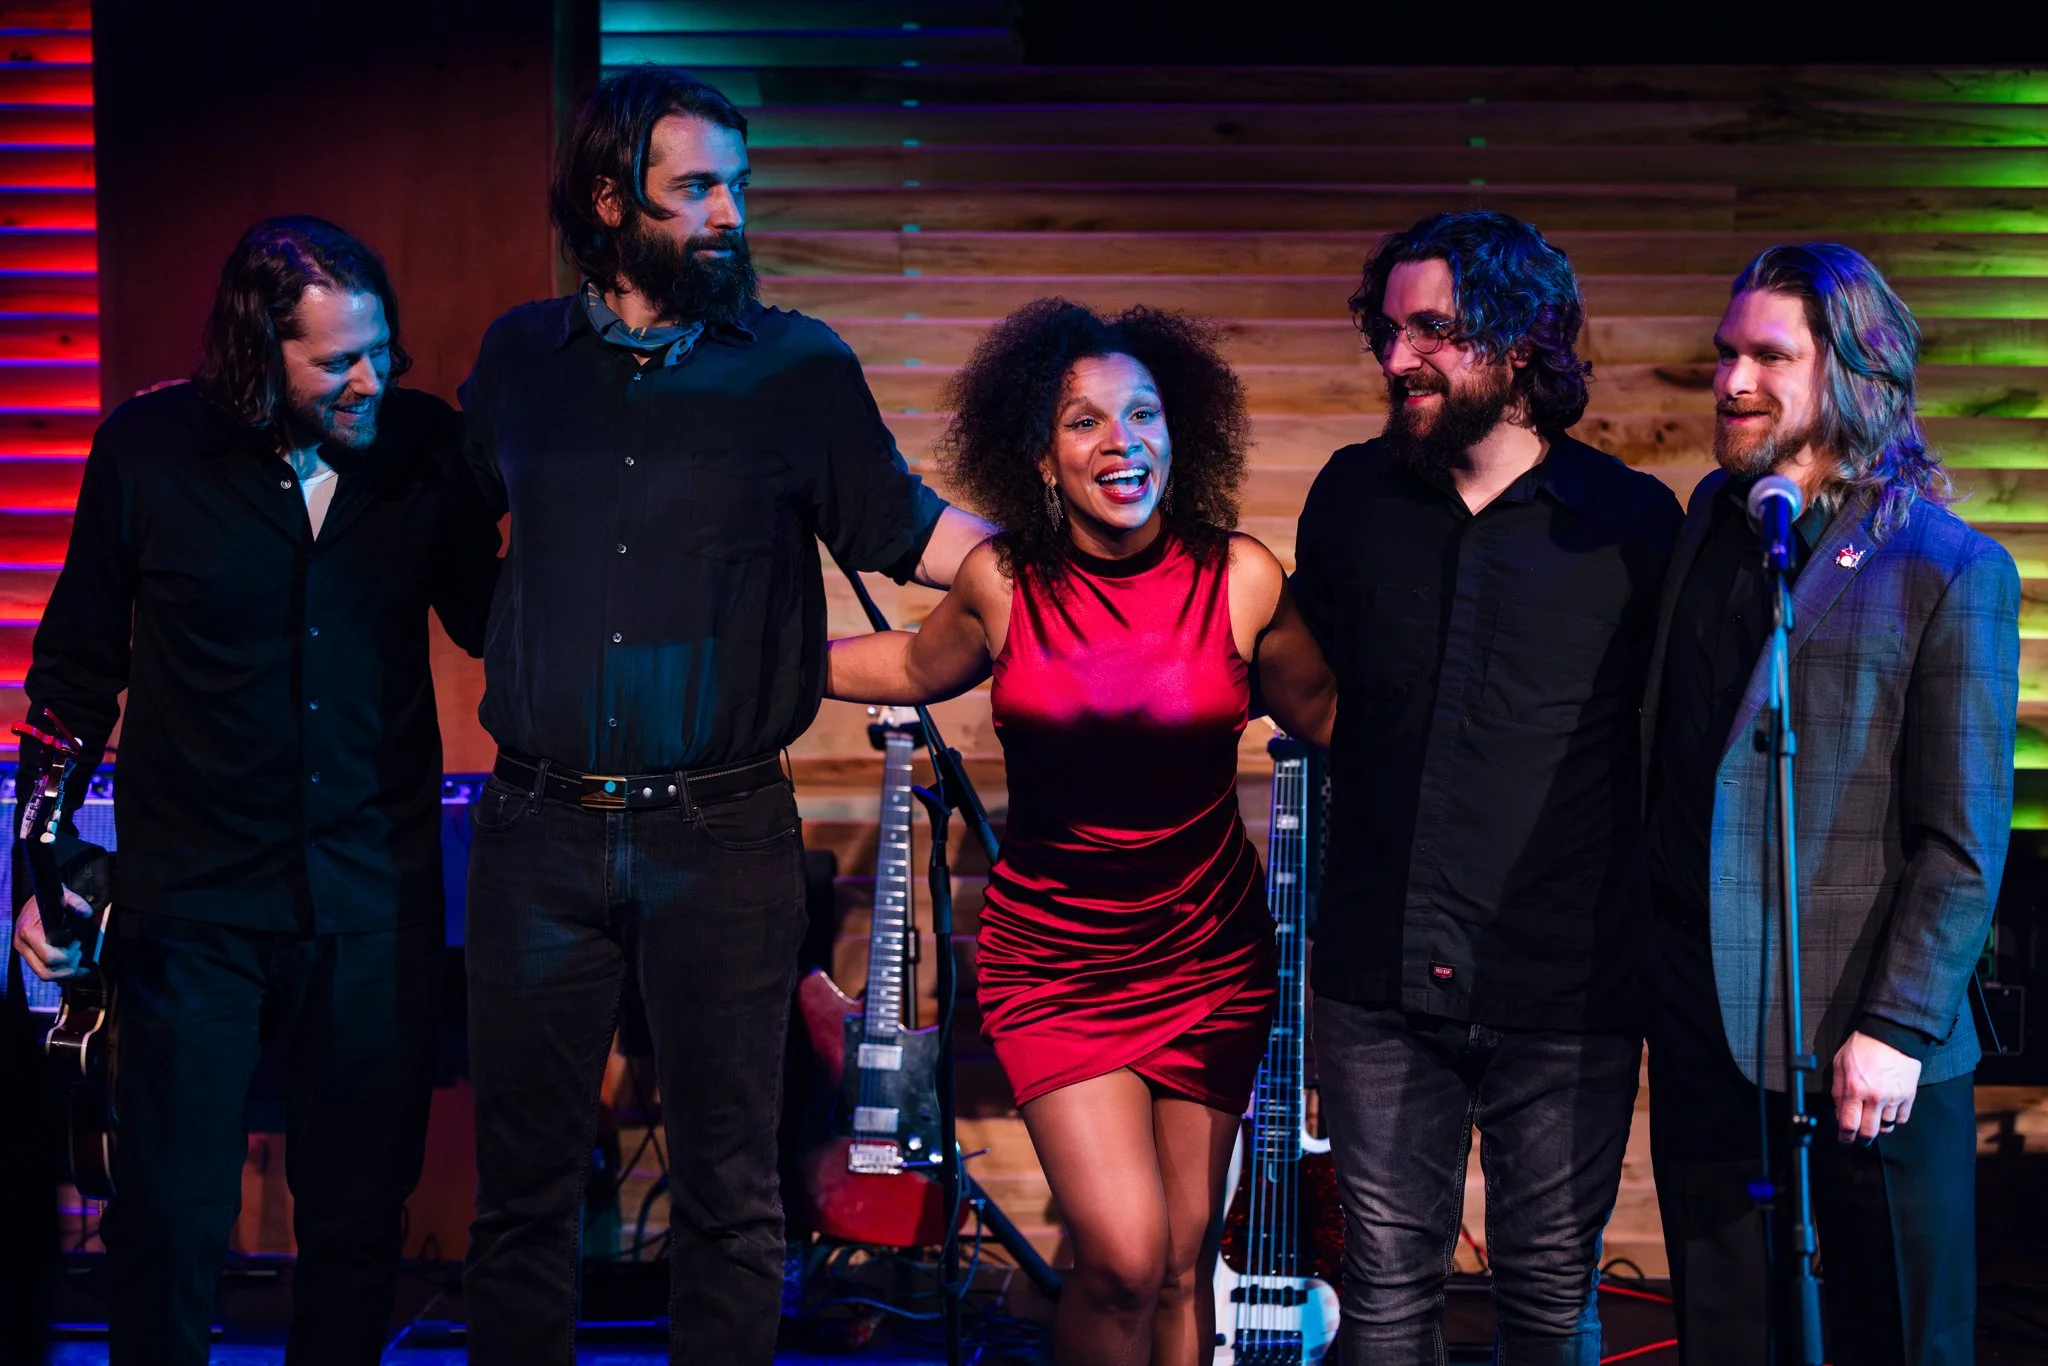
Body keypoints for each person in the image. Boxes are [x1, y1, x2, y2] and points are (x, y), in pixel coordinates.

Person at [456, 67, 991, 1365]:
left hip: (723, 831)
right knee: (522, 1196)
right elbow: (453, 540)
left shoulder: (796, 368)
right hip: (537, 829)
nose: (730, 214)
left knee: (732, 1196)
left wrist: (1076, 569)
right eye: (696, 188)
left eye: (738, 186)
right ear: (609, 201)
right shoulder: (521, 360)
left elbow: (913, 531)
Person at [10, 216, 500, 1365]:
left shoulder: (424, 449)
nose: (370, 381)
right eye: (337, 362)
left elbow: (496, 625)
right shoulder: (147, 451)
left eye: (381, 352)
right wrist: (44, 863)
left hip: (371, 898)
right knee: (169, 1218)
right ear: (255, 351)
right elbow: (75, 672)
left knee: (357, 1225)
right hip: (195, 903)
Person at [826, 298, 1336, 1365]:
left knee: (1185, 1261)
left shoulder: (1241, 576)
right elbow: (912, 665)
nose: (1121, 443)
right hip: (1056, 966)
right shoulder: (1003, 582)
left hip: (1209, 958)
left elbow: (1333, 714)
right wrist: (754, 658)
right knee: (1122, 1257)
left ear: (1178, 431)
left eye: (1142, 415)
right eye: (1085, 421)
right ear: (1040, 455)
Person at [1290, 210, 1683, 1363]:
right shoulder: (1352, 496)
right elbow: (1307, 688)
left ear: (1519, 344)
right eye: (1386, 331)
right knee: (1381, 1299)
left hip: (1563, 984)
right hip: (1376, 978)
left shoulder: (1629, 524)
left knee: (1550, 1301)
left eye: (1431, 331)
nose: (1396, 357)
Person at [1641, 243, 2016, 1365]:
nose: (1731, 380)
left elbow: (1961, 838)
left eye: (1768, 356)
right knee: (1725, 1340)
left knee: (1893, 1338)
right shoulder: (1707, 520)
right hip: (1706, 1035)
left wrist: (1894, 1028)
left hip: (1866, 1051)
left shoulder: (1945, 568)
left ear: (1852, 373)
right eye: (1725, 354)